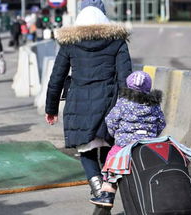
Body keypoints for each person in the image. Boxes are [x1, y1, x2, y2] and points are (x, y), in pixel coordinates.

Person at [45, 0, 132, 200]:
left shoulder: (69, 43)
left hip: (79, 105)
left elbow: (56, 78)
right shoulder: (117, 41)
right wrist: (128, 107)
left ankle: (98, 187)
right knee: (110, 150)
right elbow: (125, 78)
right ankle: (108, 189)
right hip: (110, 104)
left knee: (87, 152)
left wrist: (51, 108)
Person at [89, 71, 166, 207]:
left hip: (124, 145)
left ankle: (107, 195)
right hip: (147, 145)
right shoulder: (154, 105)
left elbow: (111, 121)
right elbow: (161, 123)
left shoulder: (123, 103)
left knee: (111, 162)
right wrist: (153, 135)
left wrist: (115, 135)